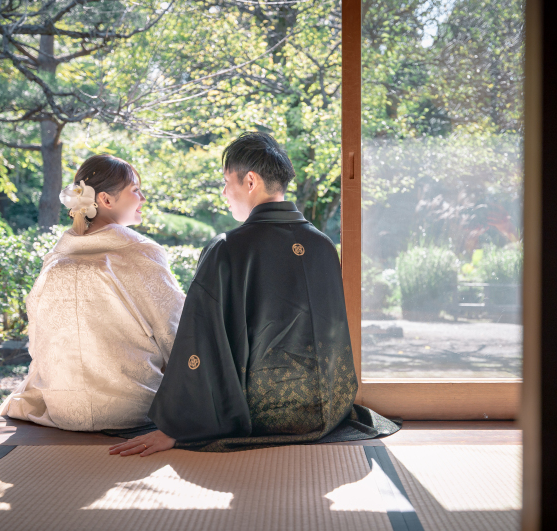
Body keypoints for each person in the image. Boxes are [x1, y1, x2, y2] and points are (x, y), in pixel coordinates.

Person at [110, 132, 396, 457]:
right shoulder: (322, 246)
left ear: (250, 181)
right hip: (327, 410)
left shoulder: (228, 249)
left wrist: (177, 426)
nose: (223, 193)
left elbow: (201, 340)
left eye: (225, 182)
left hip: (257, 418)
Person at [0, 155, 185, 431]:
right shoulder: (141, 253)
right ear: (107, 200)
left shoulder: (55, 261)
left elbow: (39, 343)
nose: (143, 198)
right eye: (135, 190)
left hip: (63, 409)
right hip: (133, 408)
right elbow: (177, 332)